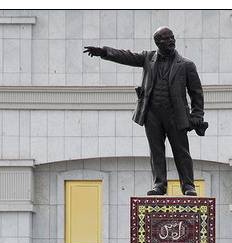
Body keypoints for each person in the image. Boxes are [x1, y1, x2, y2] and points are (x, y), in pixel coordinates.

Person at [84, 26, 207, 196]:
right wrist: (104, 52)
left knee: (181, 151)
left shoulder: (186, 65)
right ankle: (159, 185)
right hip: (152, 114)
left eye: (172, 37)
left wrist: (197, 114)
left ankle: (188, 185)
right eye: (166, 38)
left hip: (176, 115)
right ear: (157, 42)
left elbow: (196, 92)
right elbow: (126, 56)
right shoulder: (148, 58)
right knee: (156, 151)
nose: (171, 41)